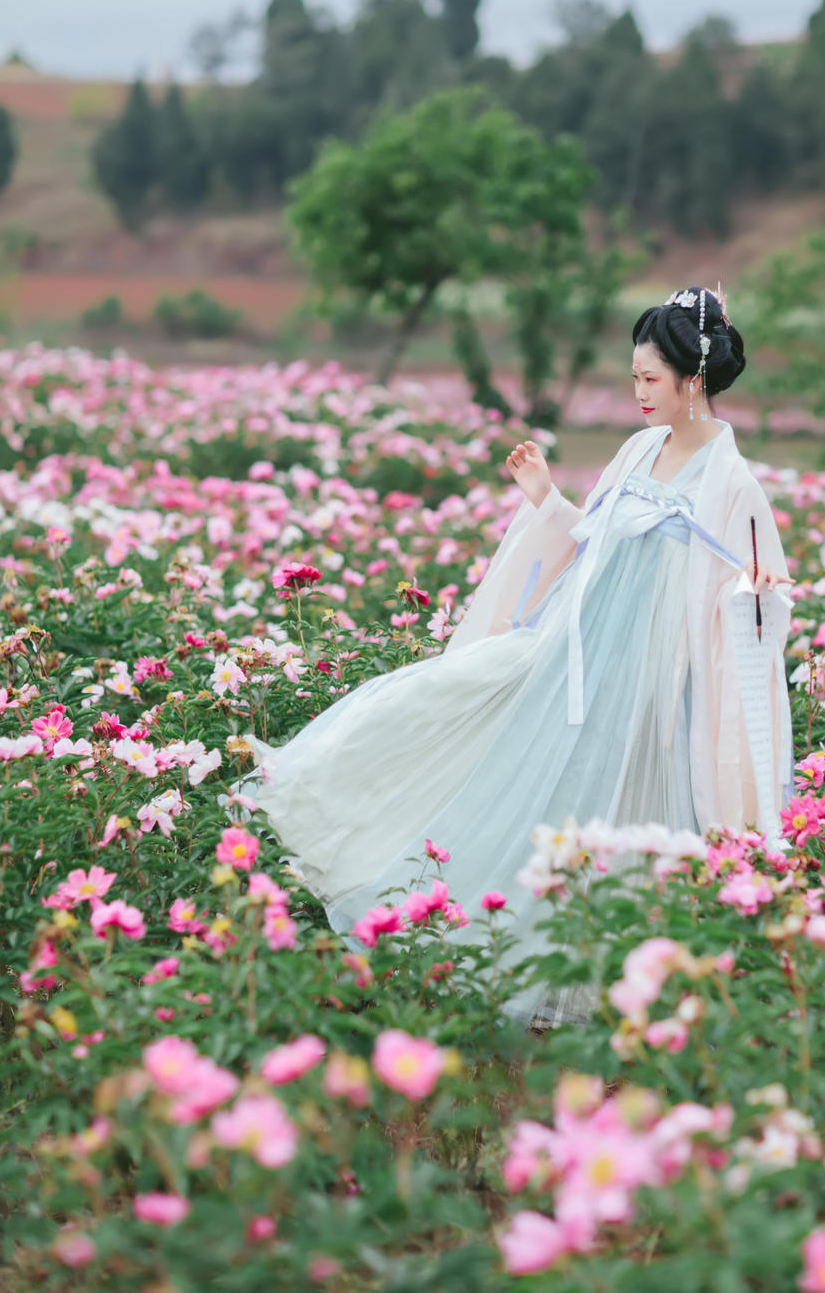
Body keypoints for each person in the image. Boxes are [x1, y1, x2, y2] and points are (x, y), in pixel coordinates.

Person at [239, 286, 795, 1027]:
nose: (636, 393)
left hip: (655, 683)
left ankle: (617, 982)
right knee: (510, 760)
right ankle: (487, 939)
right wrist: (547, 499)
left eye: (649, 380)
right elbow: (595, 546)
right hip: (581, 652)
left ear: (693, 380)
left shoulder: (733, 482)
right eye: (633, 377)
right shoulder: (639, 450)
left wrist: (759, 594)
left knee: (624, 810)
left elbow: (760, 587)